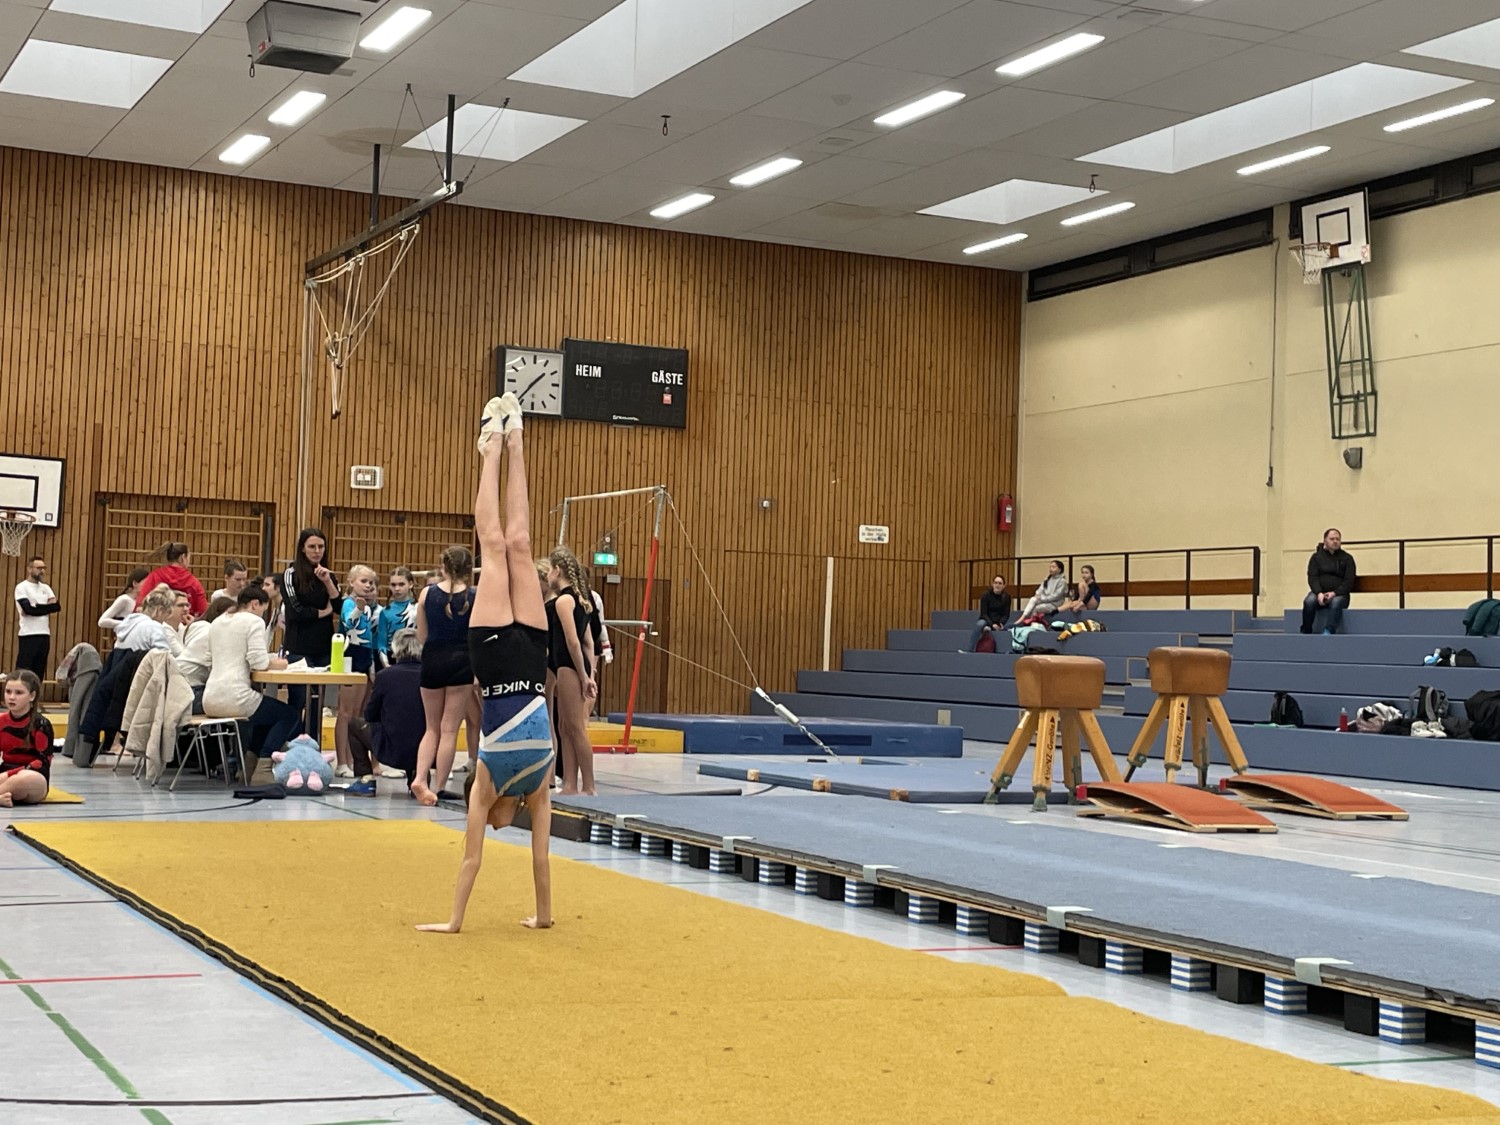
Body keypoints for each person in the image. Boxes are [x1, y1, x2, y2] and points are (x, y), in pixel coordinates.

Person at [418, 393, 553, 934]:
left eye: (491, 826)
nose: (496, 828)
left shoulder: (486, 784)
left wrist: (454, 922)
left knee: (494, 546)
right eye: (500, 825)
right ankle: (514, 438)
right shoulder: (536, 786)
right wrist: (543, 917)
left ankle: (493, 445)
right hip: (529, 658)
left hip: (495, 658)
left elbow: (471, 859)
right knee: (519, 544)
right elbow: (541, 860)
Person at [202, 585, 303, 772]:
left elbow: (208, 659)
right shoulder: (253, 621)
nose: (262, 615)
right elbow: (259, 662)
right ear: (255, 604)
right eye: (263, 610)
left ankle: (249, 768)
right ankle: (264, 764)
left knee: (267, 715)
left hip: (210, 698)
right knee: (290, 715)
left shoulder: (217, 622)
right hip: (235, 697)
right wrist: (280, 664)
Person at [410, 546, 477, 805]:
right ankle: (438, 787)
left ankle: (420, 777)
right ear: (469, 570)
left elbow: (422, 636)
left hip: (433, 660)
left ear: (443, 567)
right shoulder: (474, 596)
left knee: (431, 728)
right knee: (449, 730)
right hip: (461, 661)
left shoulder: (427, 594)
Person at [547, 546, 598, 796]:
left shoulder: (564, 601)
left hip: (570, 666)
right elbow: (588, 642)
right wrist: (589, 671)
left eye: (549, 570)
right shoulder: (581, 601)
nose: (547, 575)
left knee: (575, 727)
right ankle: (569, 783)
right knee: (565, 727)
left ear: (558, 570)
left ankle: (589, 785)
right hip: (571, 666)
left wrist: (585, 675)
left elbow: (574, 641)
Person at [276, 528, 340, 716]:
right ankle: (295, 734)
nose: (317, 551)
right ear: (303, 549)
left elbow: (338, 607)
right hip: (298, 647)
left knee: (317, 703)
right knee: (298, 699)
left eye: (321, 546)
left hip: (323, 647)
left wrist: (327, 582)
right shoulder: (290, 574)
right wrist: (322, 612)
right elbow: (295, 611)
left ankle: (313, 735)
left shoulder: (329, 575)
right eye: (312, 546)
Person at [353, 626, 424, 797]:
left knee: (353, 725)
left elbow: (370, 714)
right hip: (425, 747)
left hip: (390, 749)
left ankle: (366, 780)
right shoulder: (430, 675)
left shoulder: (385, 676)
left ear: (396, 649)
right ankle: (419, 776)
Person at [335, 564, 380, 778]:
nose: (368, 585)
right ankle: (341, 762)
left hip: (363, 657)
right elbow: (349, 622)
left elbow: (368, 637)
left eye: (371, 582)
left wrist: (371, 663)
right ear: (351, 582)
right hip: (349, 657)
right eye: (363, 581)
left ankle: (353, 759)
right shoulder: (348, 603)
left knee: (357, 714)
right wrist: (358, 609)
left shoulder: (367, 607)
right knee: (345, 712)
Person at [0, 669, 53, 807]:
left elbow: (43, 762)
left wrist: (9, 774)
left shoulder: (41, 724)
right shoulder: (1, 721)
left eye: (19, 693)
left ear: (32, 696)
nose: (11, 697)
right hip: (4, 773)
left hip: (32, 776)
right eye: (8, 691)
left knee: (24, 779)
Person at [178, 595, 234, 712]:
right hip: (191, 693)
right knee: (238, 703)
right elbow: (222, 671)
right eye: (230, 616)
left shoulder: (197, 627)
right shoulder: (213, 633)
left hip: (177, 691)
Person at [1302, 528, 1357, 635]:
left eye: (1337, 539)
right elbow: (1313, 577)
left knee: (1336, 603)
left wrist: (1334, 593)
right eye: (1332, 539)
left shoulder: (1347, 558)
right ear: (1325, 540)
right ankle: (1306, 630)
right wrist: (1319, 593)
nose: (1335, 541)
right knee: (1309, 602)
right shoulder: (1316, 558)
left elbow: (1349, 581)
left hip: (1340, 595)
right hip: (1319, 593)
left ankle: (1329, 630)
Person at [135, 542, 208, 617]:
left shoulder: (155, 576)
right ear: (183, 557)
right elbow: (203, 611)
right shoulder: (194, 583)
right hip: (185, 622)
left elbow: (140, 604)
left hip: (157, 621)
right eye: (189, 557)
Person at [14, 555, 58, 678]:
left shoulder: (46, 588)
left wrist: (36, 607)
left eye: (44, 568)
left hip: (44, 634)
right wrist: (44, 608)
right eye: (39, 568)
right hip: (28, 634)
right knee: (24, 670)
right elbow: (27, 610)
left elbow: (55, 607)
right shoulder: (22, 587)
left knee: (39, 670)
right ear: (29, 569)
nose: (42, 571)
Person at [375, 566, 417, 669]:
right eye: (393, 585)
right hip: (392, 657)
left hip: (416, 656)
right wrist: (386, 664)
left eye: (401, 584)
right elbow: (381, 644)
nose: (397, 589)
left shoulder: (419, 608)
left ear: (410, 584)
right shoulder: (385, 612)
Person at [98, 566, 151, 635]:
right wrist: (128, 624)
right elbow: (102, 621)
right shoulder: (124, 600)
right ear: (135, 583)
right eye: (146, 583)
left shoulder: (147, 601)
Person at [965, 576, 1012, 652]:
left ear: (1004, 586)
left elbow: (1006, 614)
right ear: (992, 584)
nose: (997, 585)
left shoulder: (1007, 597)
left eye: (1000, 583)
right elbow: (984, 613)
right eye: (995, 583)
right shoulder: (985, 595)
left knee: (1010, 629)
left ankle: (1008, 652)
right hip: (986, 620)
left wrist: (1000, 624)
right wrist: (992, 624)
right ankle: (970, 649)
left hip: (998, 621)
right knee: (979, 624)